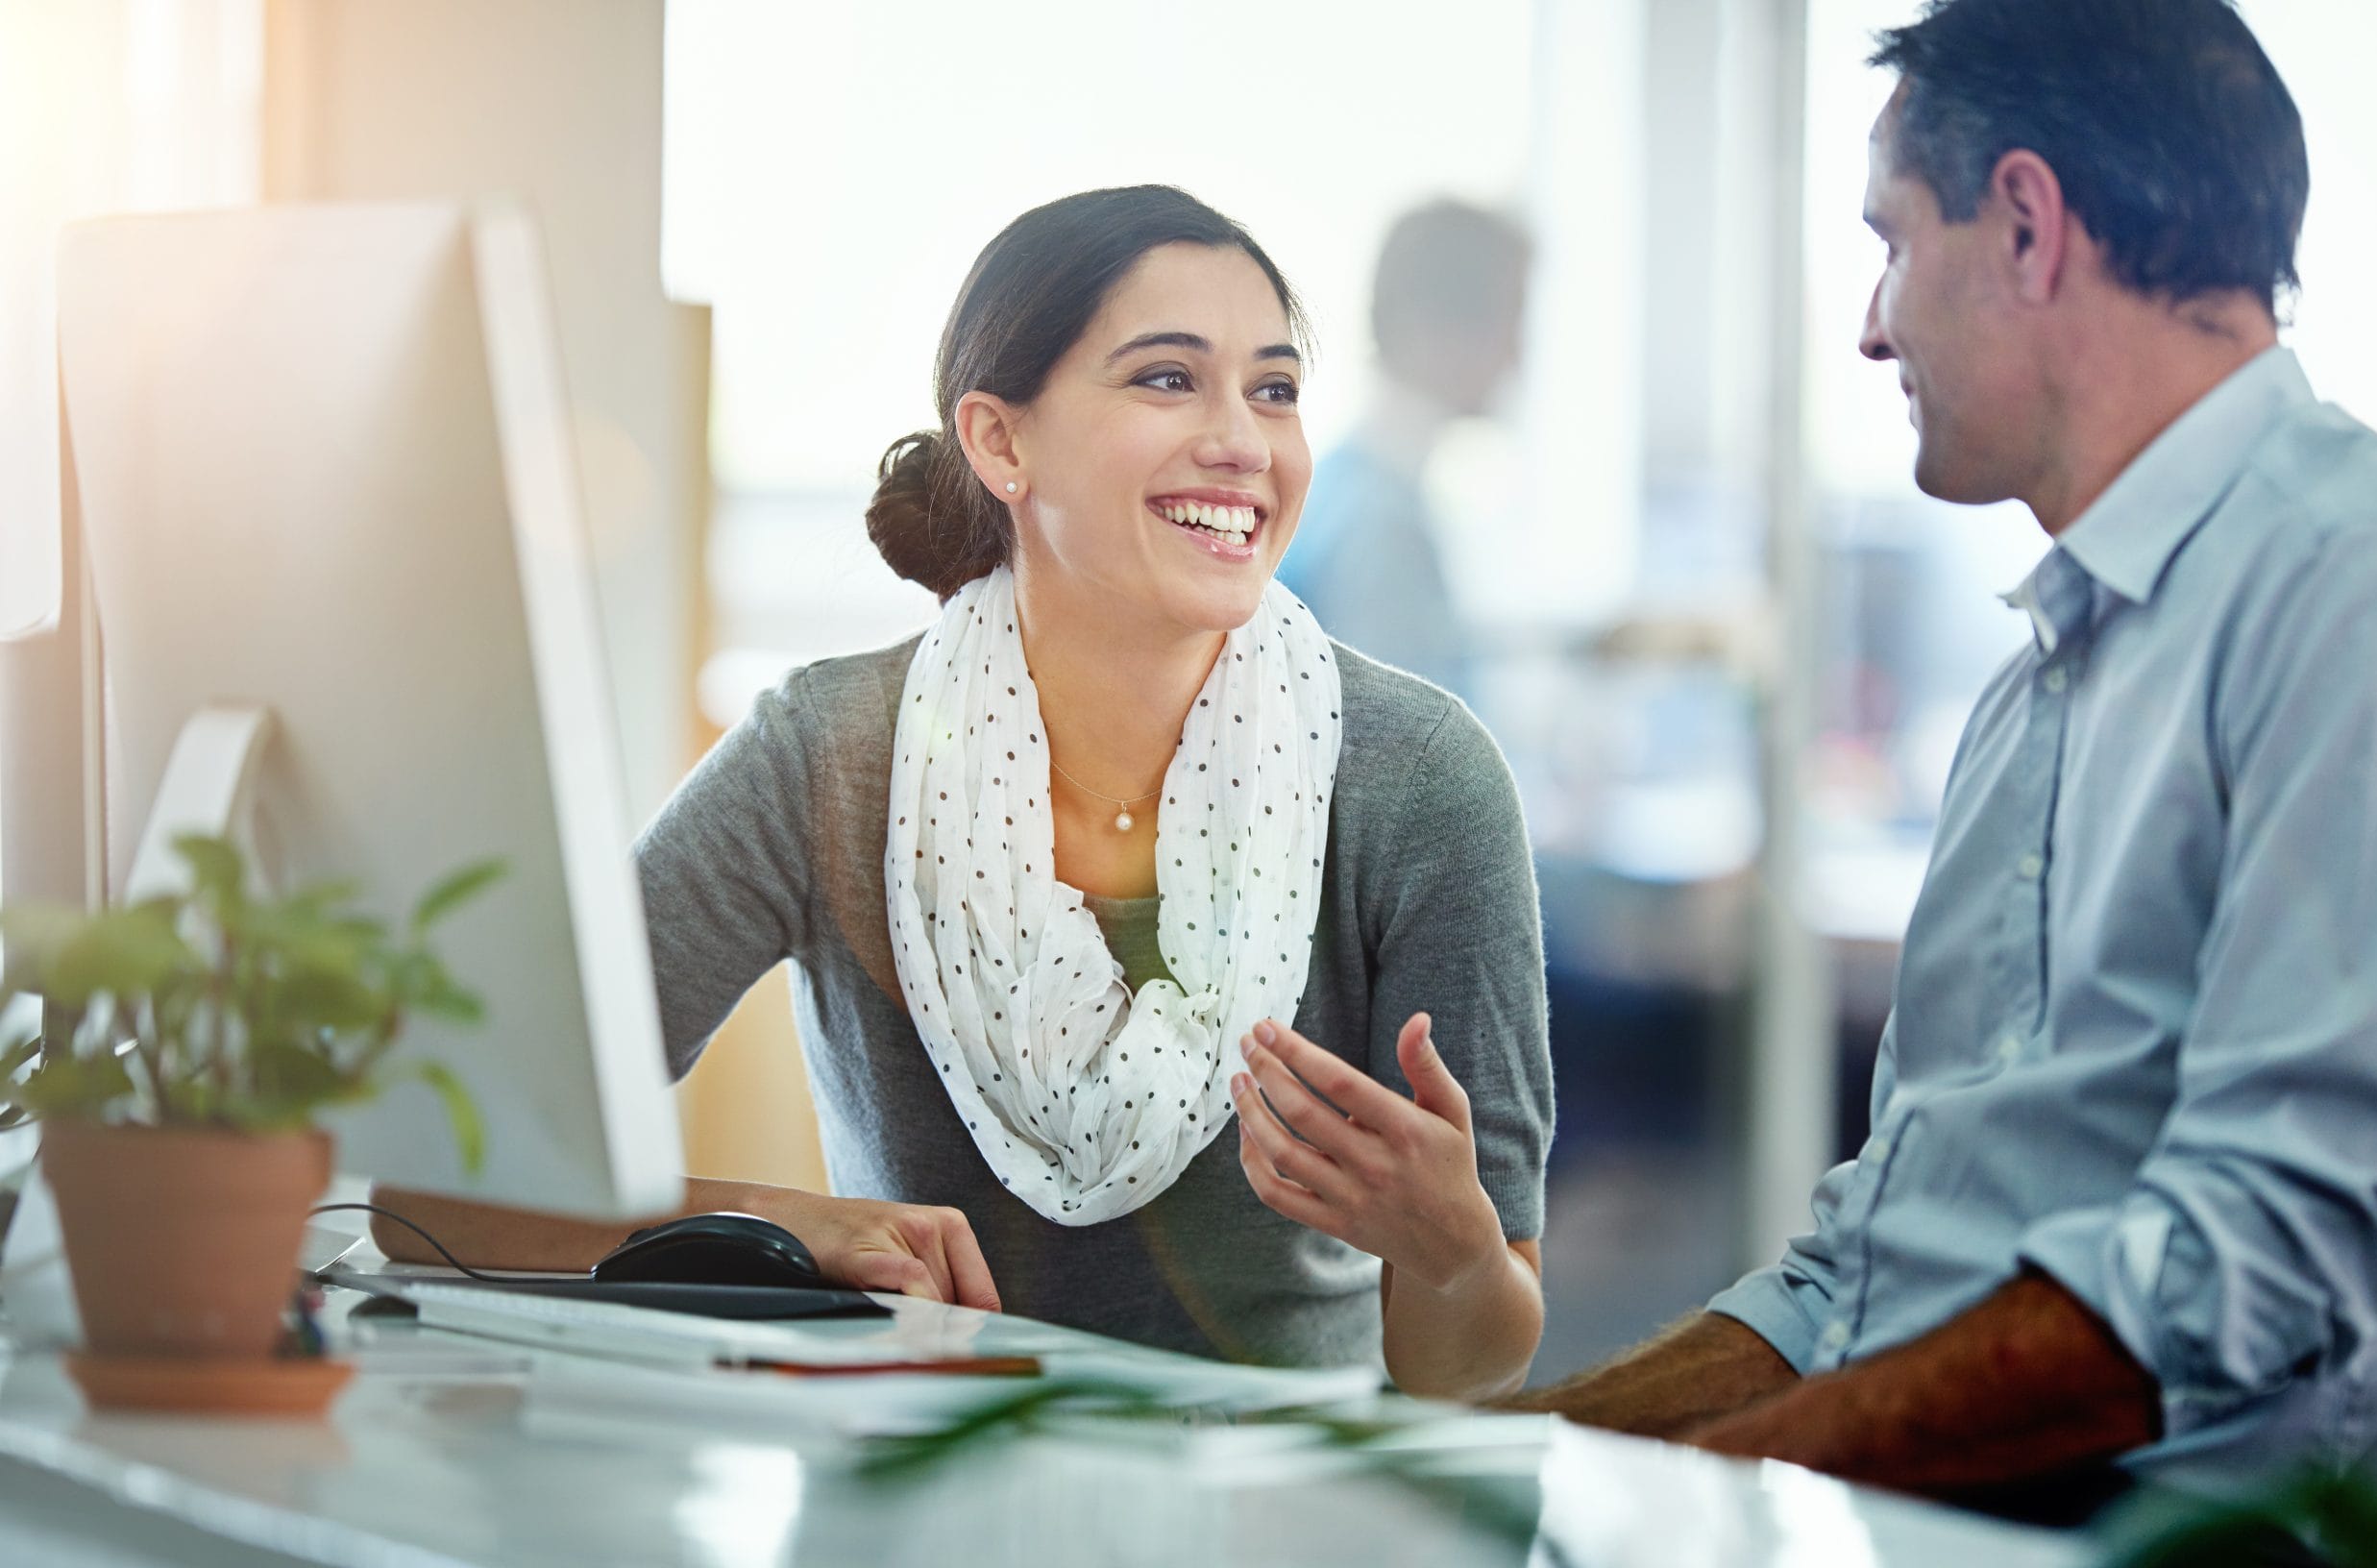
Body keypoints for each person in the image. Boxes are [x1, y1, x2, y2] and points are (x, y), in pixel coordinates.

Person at [376, 186, 1552, 1401]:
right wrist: (783, 1225)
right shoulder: (829, 756)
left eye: (1273, 388)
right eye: (1165, 379)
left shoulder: (1421, 781)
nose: (1243, 443)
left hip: (1276, 1533)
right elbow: (433, 1200)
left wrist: (1455, 1252)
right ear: (999, 440)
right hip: (913, 1529)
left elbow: (1465, 1366)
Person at [1515, 0, 2377, 1509]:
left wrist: (1695, 1492)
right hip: (1939, 1551)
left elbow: (2261, 1261)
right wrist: (1502, 1454)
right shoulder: (2038, 693)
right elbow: (1861, 1278)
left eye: (1891, 240)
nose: (1872, 323)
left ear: (2026, 224)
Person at [1275, 201, 1531, 701]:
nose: (1517, 357)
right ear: (1433, 330)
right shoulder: (1382, 526)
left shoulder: (1344, 488)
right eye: (1510, 321)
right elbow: (1401, 764)